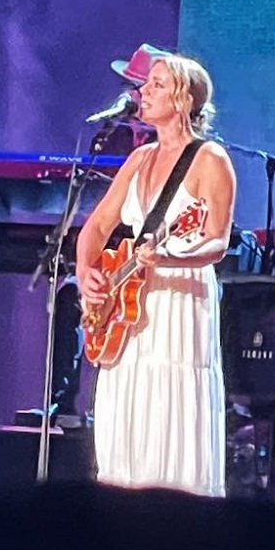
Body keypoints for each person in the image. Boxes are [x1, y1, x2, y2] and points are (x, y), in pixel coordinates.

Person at [75, 52, 236, 496]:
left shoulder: (210, 159)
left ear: (184, 100)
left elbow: (217, 241)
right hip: (128, 305)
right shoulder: (139, 158)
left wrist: (168, 259)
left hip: (178, 299)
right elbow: (96, 227)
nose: (142, 92)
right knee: (126, 414)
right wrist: (86, 271)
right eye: (145, 85)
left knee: (169, 409)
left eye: (157, 85)